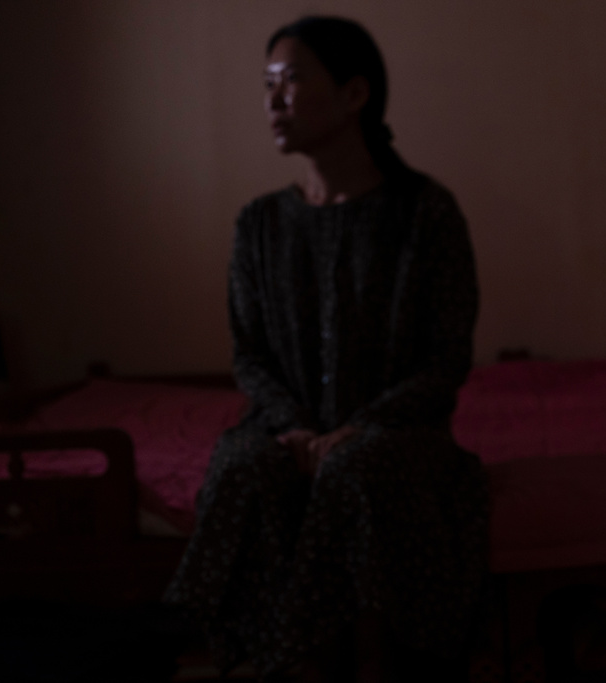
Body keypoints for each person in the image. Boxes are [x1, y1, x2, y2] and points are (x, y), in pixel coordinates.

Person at [163, 16, 488, 682]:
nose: (273, 100)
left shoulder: (425, 211)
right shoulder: (259, 224)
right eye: (266, 86)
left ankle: (302, 659)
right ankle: (198, 644)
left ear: (354, 94)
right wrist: (297, 428)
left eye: (290, 81)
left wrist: (360, 426)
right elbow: (249, 354)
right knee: (244, 465)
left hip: (398, 432)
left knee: (356, 467)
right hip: (288, 428)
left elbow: (447, 354)